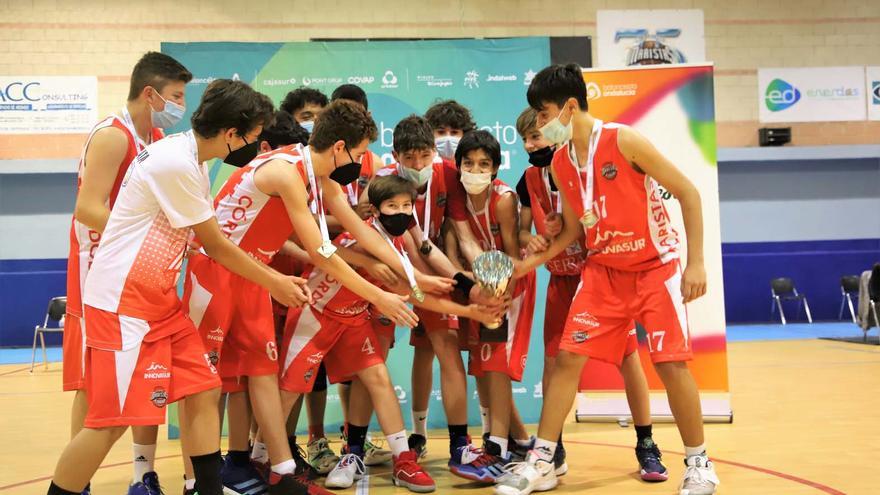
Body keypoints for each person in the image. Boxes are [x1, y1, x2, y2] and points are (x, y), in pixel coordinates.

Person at [46, 79, 313, 495]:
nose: (258, 146)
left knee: (203, 387)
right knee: (110, 424)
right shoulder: (176, 163)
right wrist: (275, 280)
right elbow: (217, 246)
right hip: (123, 306)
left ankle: (205, 490)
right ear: (231, 134)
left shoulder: (192, 159)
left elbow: (192, 236)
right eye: (255, 137)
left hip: (159, 304)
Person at [494, 63, 718, 495]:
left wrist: (697, 263)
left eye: (543, 114)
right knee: (566, 359)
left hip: (656, 267)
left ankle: (699, 462)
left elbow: (688, 191)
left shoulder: (623, 139)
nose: (539, 124)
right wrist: (528, 264)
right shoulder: (560, 162)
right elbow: (577, 230)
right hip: (603, 271)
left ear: (569, 107)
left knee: (670, 364)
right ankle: (542, 460)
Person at [314, 174, 503, 490]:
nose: (401, 211)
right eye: (393, 205)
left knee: (375, 376)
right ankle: (269, 460)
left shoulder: (397, 240)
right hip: (314, 316)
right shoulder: (363, 236)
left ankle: (395, 459)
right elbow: (322, 248)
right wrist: (369, 263)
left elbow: (412, 289)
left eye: (406, 205)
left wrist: (468, 308)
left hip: (354, 318)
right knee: (287, 390)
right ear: (375, 210)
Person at [514, 107, 667, 481]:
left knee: (628, 358)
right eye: (526, 140)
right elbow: (520, 231)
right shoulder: (528, 181)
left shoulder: (582, 170)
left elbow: (596, 221)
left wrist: (565, 227)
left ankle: (646, 442)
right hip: (560, 282)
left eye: (536, 136)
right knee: (553, 364)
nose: (531, 144)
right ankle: (554, 447)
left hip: (598, 276)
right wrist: (530, 238)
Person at [63, 51, 191, 495]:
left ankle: (143, 474)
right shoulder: (113, 136)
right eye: (176, 96)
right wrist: (138, 237)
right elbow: (87, 208)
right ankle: (76, 481)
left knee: (148, 368)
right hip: (97, 267)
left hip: (142, 271)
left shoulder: (153, 135)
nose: (181, 106)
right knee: (92, 379)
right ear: (150, 93)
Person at [179, 110, 319, 495]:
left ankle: (282, 471)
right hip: (216, 271)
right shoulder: (277, 169)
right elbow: (317, 247)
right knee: (200, 382)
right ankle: (194, 481)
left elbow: (288, 237)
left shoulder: (300, 169)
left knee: (260, 370)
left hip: (254, 272)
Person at [445, 130, 537, 483]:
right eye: (468, 163)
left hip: (511, 287)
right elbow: (461, 244)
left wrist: (501, 293)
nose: (475, 170)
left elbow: (514, 255)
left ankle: (496, 450)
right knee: (484, 367)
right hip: (482, 287)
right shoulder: (456, 197)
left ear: (495, 169)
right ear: (459, 166)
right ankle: (520, 442)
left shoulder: (502, 199)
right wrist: (474, 286)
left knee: (497, 366)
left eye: (483, 164)